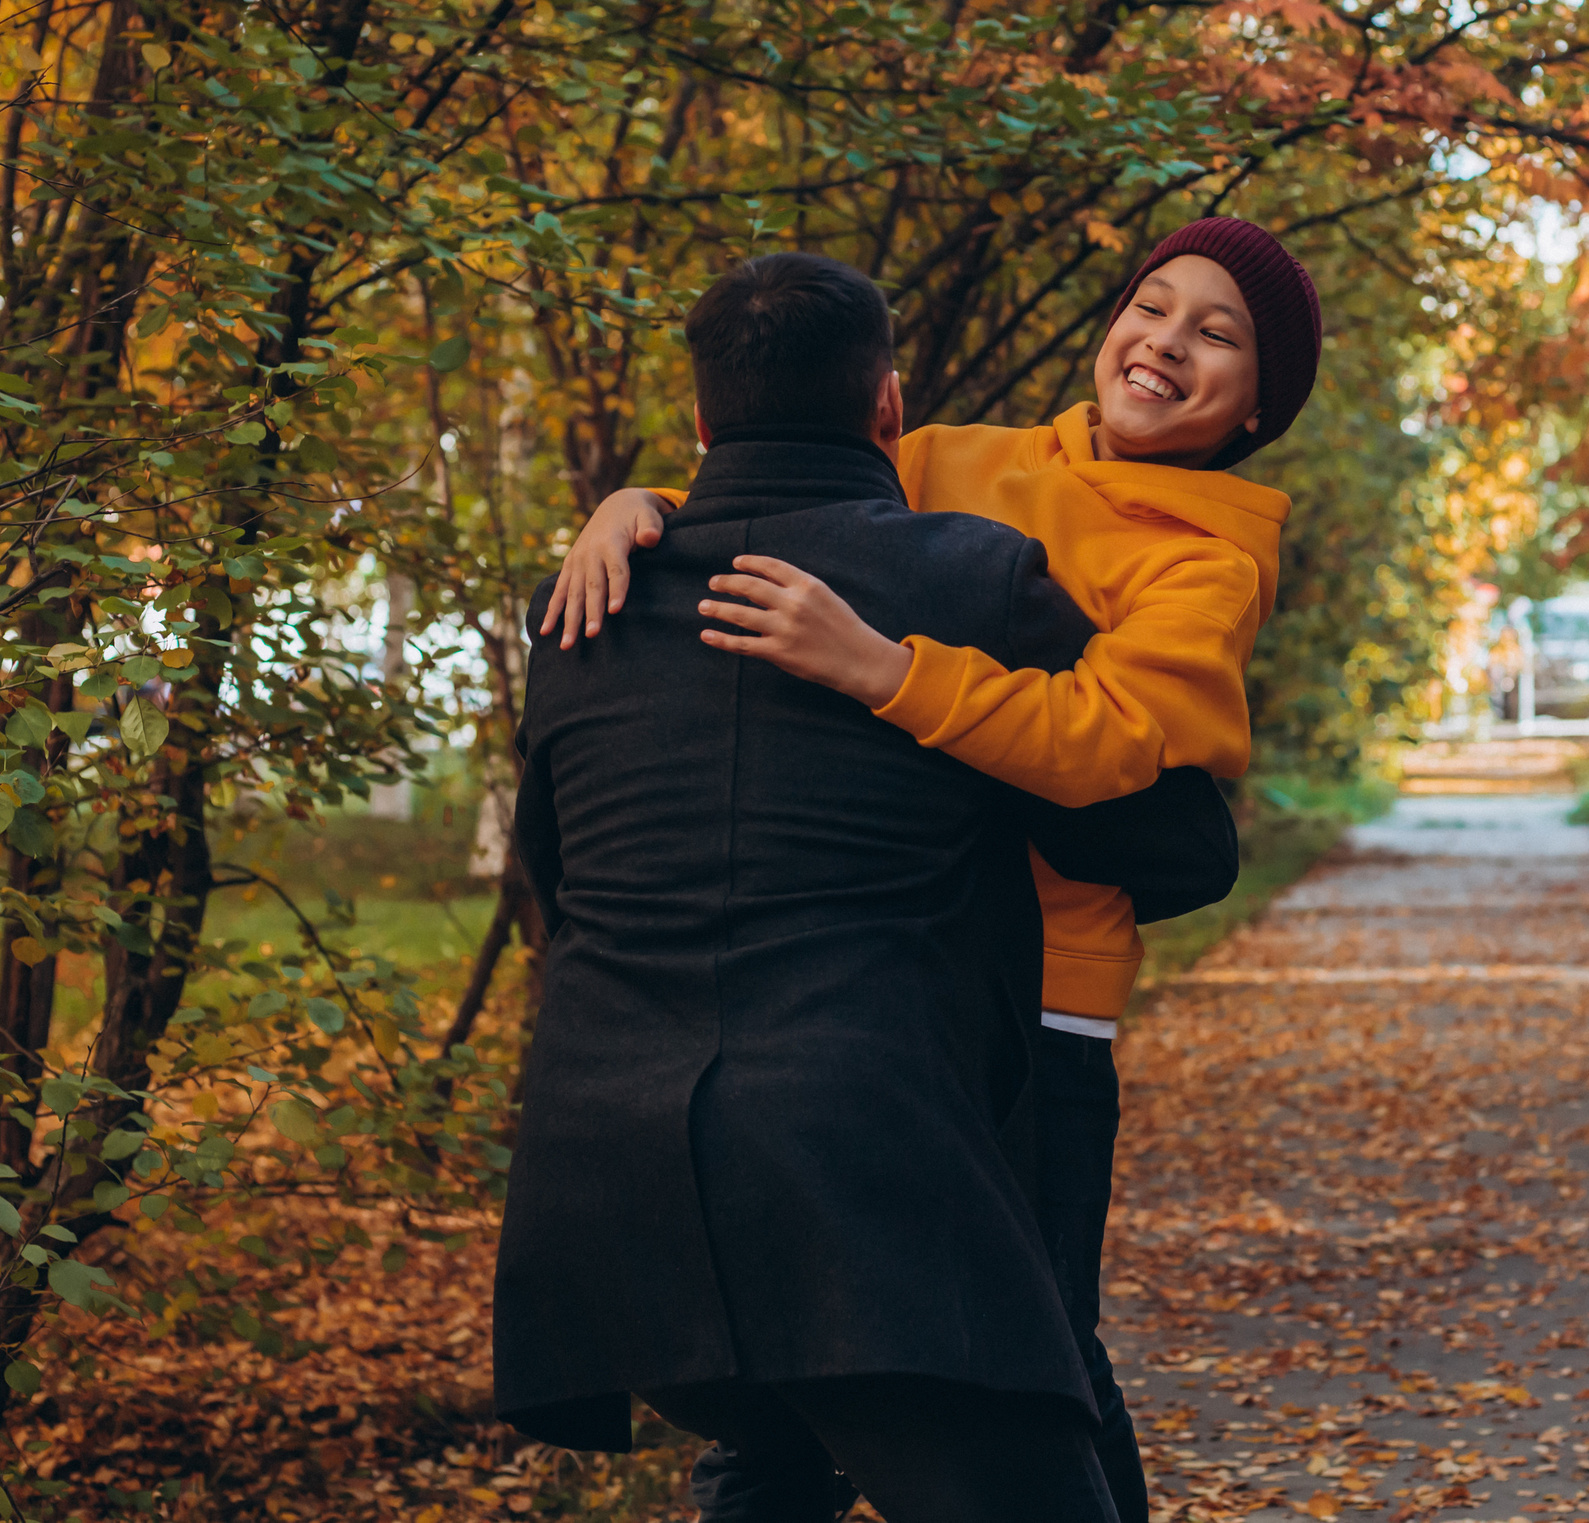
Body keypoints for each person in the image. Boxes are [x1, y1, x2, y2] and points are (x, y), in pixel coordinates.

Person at [546, 217, 1323, 1523]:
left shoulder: (1207, 553)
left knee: (1036, 1359)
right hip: (871, 975)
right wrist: (640, 510)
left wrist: (882, 668)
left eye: (1216, 335)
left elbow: (1109, 742)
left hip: (1036, 1009)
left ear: (1258, 404)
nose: (1166, 343)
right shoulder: (958, 459)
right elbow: (779, 495)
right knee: (787, 1384)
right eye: (1153, 305)